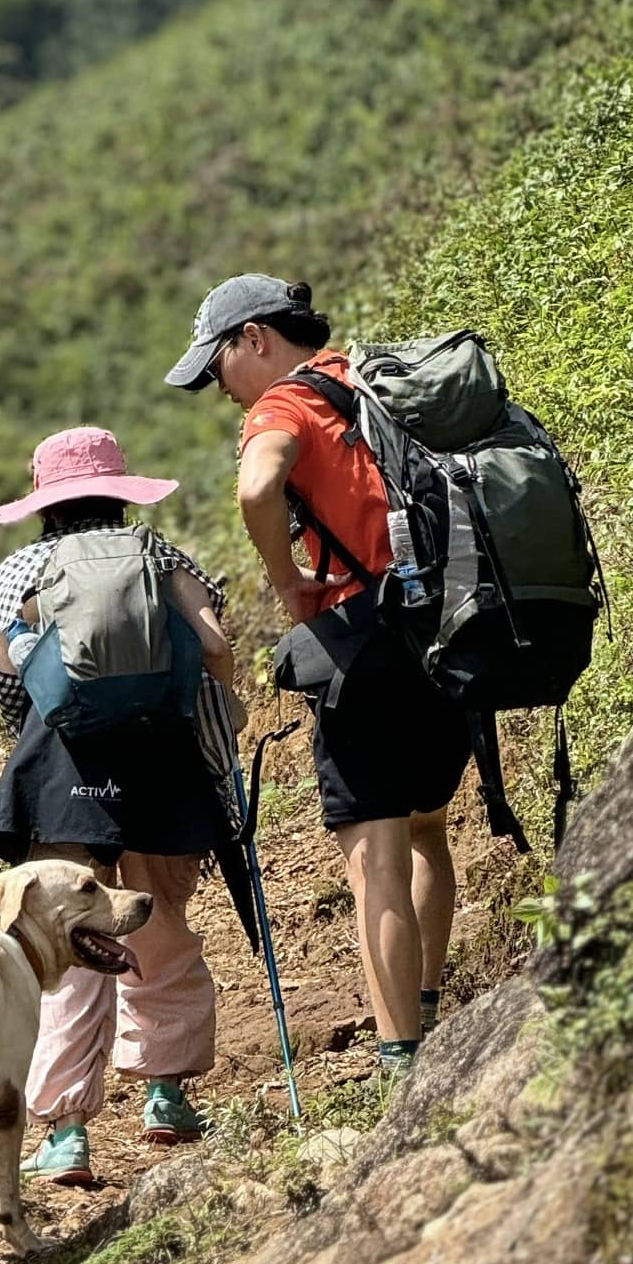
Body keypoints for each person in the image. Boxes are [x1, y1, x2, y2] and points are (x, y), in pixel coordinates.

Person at [165, 276, 472, 1075]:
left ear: (255, 340)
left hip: (366, 649)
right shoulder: (374, 378)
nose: (219, 392)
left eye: (216, 368)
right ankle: (430, 1008)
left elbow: (259, 484)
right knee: (427, 826)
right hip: (449, 628)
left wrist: (285, 579)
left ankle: (403, 1058)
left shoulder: (283, 406)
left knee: (374, 854)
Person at [0, 424, 244, 1184]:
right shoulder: (161, 557)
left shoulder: (23, 569)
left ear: (46, 504)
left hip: (65, 778)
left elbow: (6, 678)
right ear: (120, 493)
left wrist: (37, 740)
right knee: (158, 927)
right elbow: (215, 647)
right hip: (163, 768)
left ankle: (64, 1133)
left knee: (69, 955)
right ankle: (164, 1096)